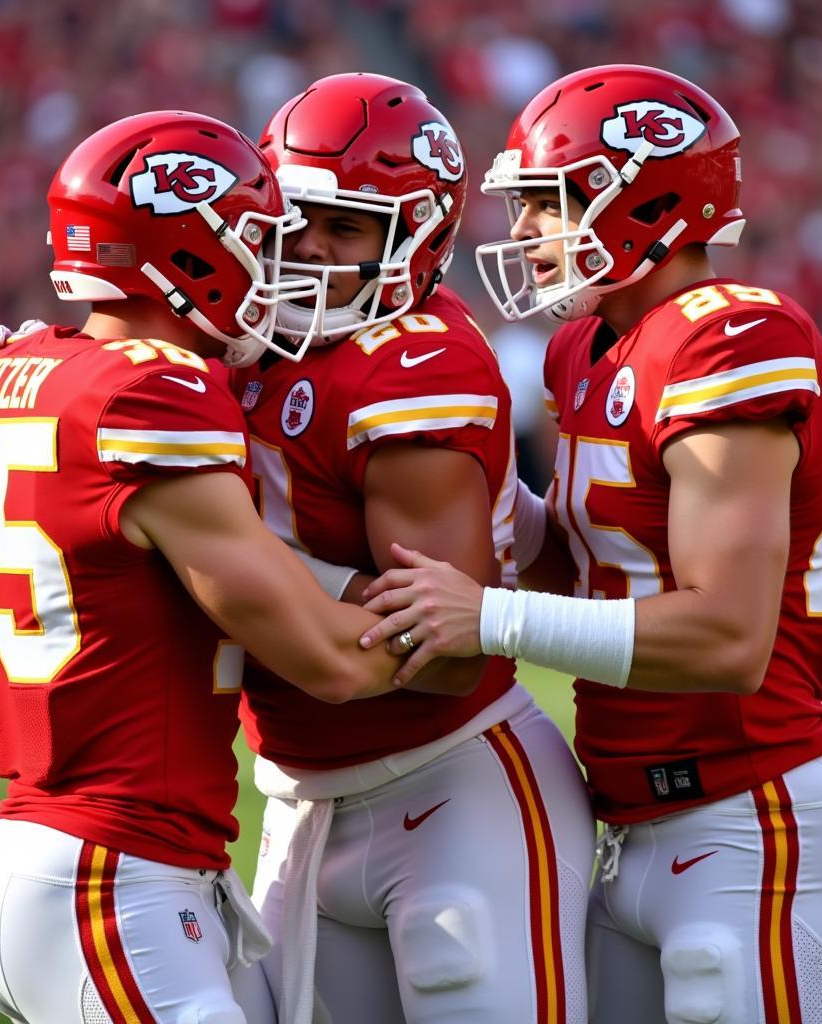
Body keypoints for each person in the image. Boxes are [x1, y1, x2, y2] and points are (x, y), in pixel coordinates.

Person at [358, 65, 822, 1023]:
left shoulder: (732, 340)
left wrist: (487, 618)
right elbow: (587, 556)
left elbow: (728, 638)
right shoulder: (586, 346)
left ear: (643, 201)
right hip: (636, 820)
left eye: (548, 202)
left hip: (754, 812)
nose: (522, 232)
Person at [0, 110, 412, 1024]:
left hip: (67, 860)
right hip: (111, 877)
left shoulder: (13, 369)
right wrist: (486, 614)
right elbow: (335, 663)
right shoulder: (154, 391)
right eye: (254, 241)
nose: (273, 268)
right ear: (187, 254)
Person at [235, 73, 595, 1024]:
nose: (307, 247)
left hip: (447, 783)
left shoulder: (412, 366)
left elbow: (434, 657)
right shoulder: (238, 336)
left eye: (343, 227)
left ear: (414, 239)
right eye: (293, 216)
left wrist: (231, 567)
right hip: (299, 796)